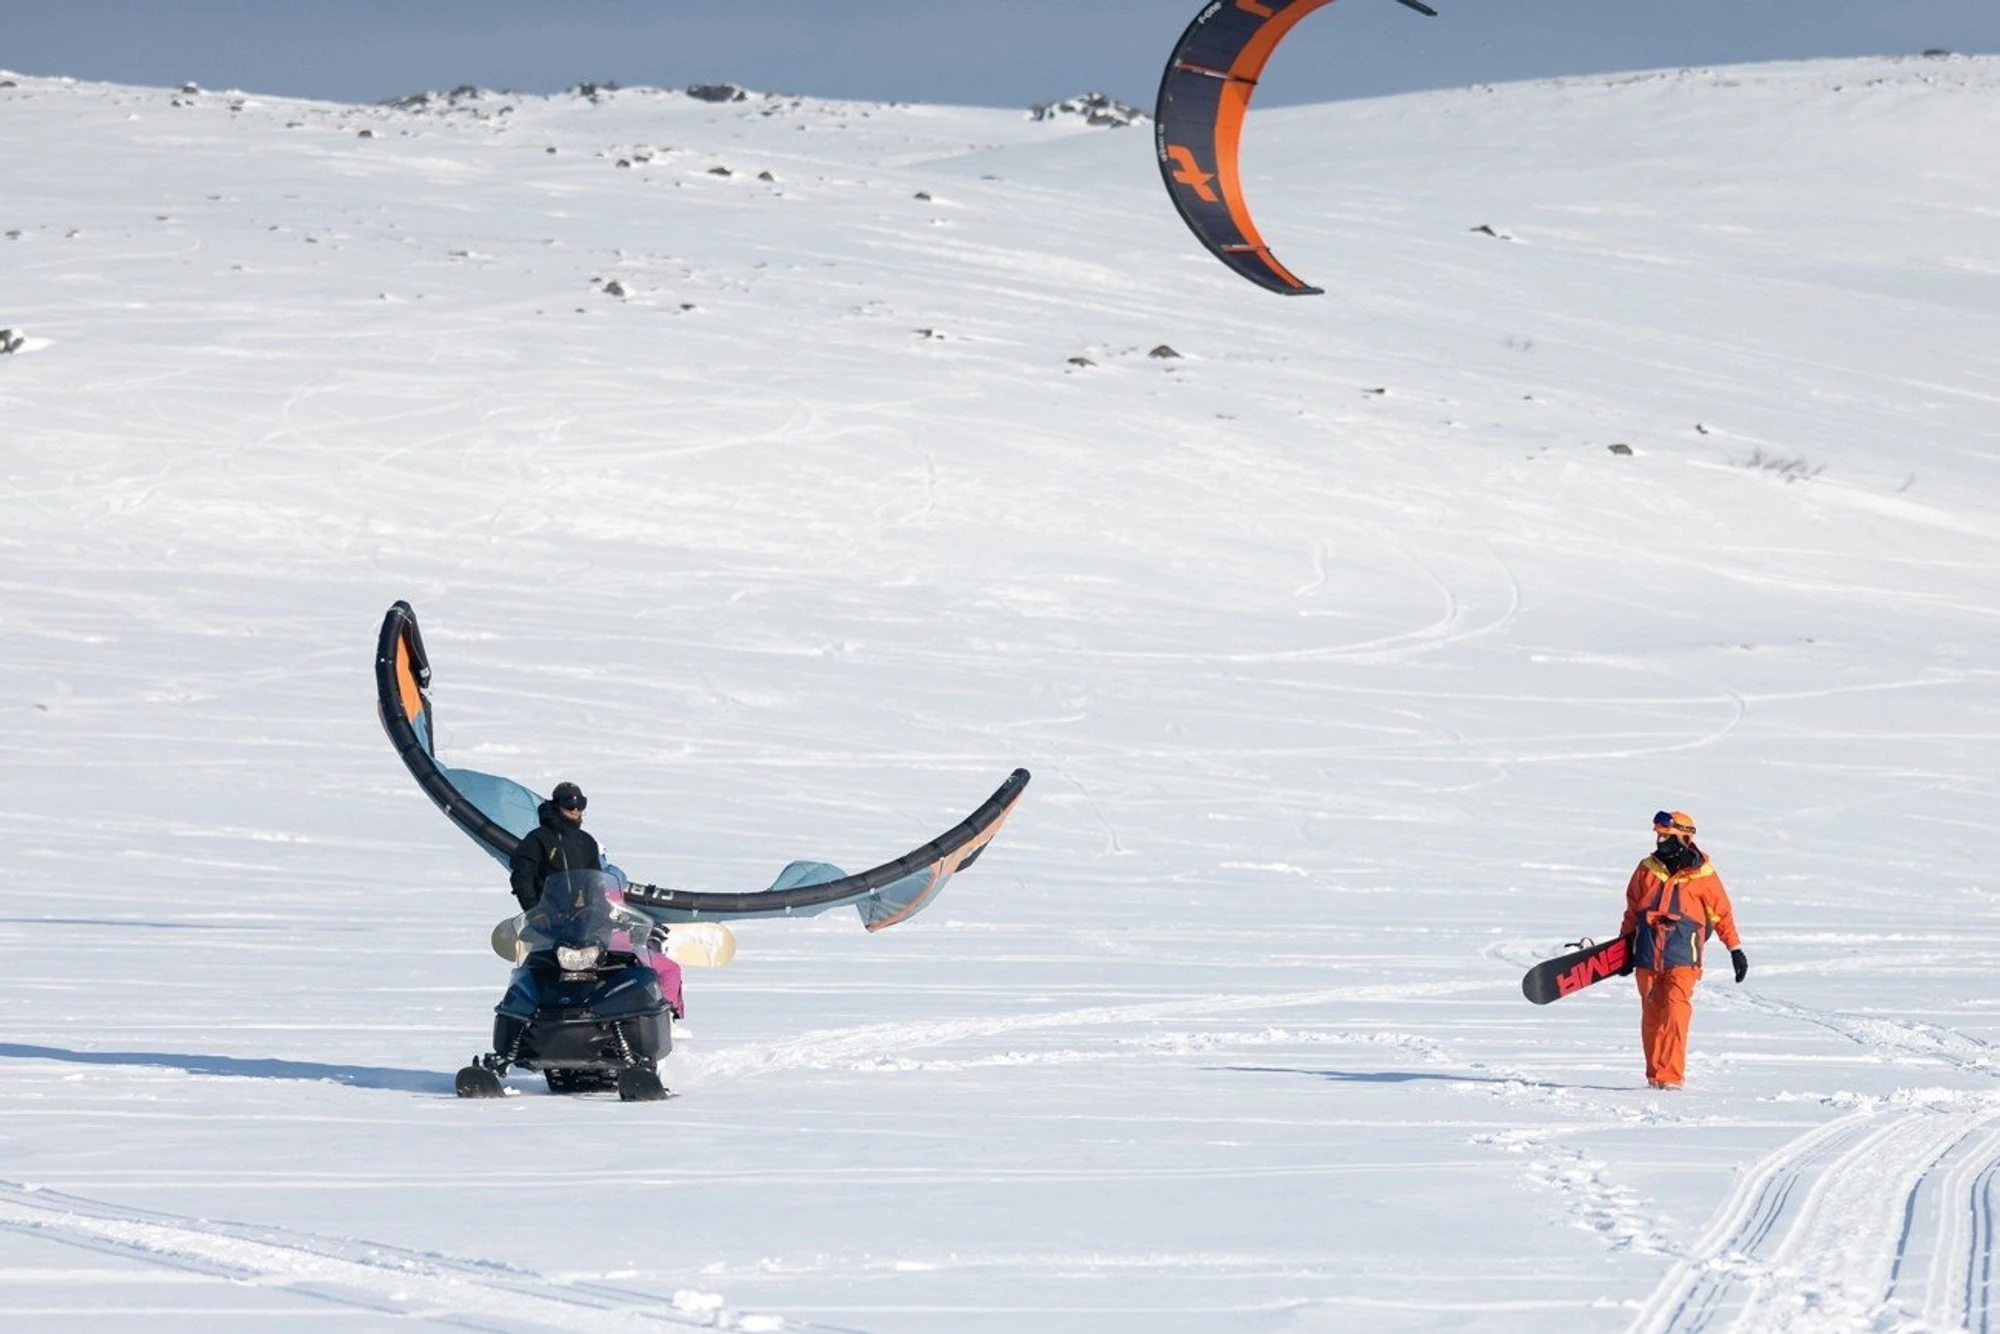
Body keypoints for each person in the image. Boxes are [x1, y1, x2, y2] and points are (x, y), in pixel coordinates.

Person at [1618, 810, 1747, 1090]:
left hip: (1683, 954)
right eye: (1659, 836)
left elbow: (1722, 914)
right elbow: (1632, 911)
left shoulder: (1703, 874)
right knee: (1652, 1014)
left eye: (1666, 836)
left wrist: (1734, 949)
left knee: (1676, 1010)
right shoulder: (1646, 868)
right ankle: (1655, 1076)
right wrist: (1624, 946)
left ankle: (1670, 1076)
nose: (1660, 841)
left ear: (1684, 838)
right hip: (1647, 952)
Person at [508, 781, 602, 910]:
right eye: (569, 804)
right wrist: (533, 911)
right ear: (557, 805)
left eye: (580, 804)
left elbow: (595, 880)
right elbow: (522, 877)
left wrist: (598, 909)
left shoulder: (587, 841)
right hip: (547, 915)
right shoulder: (539, 838)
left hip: (581, 915)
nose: (575, 809)